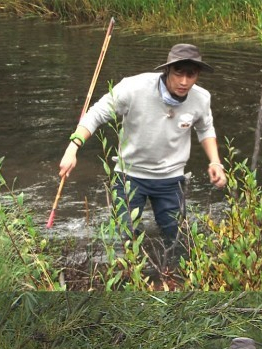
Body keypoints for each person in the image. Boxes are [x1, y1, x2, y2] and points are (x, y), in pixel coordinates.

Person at [59, 44, 227, 245]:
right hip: (130, 176)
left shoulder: (201, 98)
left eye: (190, 76)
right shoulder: (133, 88)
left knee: (177, 240)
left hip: (171, 179)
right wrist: (73, 148)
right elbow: (96, 114)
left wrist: (215, 162)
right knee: (126, 240)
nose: (184, 82)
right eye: (178, 73)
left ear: (197, 75)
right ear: (167, 70)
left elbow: (205, 128)